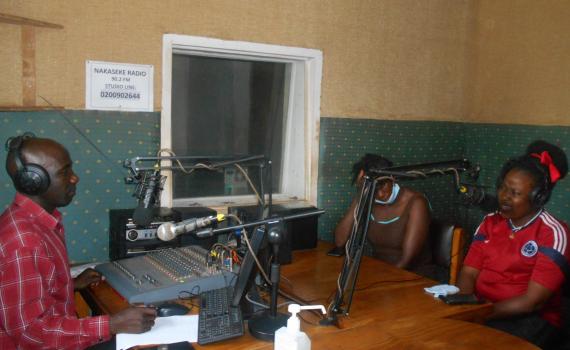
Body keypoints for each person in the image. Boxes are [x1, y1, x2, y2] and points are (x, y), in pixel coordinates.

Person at [0, 134, 157, 349]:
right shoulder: (23, 243)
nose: (74, 178)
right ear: (34, 181)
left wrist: (68, 285)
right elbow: (31, 335)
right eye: (64, 172)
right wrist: (111, 324)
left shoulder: (33, 220)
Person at [456, 140, 570, 349]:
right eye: (503, 189)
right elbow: (469, 272)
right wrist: (464, 306)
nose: (504, 197)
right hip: (482, 309)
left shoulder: (553, 233)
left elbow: (532, 302)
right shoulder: (490, 221)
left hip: (529, 320)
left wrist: (482, 314)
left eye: (515, 193)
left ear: (538, 197)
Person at [329, 154, 432, 273]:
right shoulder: (367, 200)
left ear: (392, 178)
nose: (381, 194)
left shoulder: (416, 202)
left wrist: (382, 280)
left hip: (414, 276)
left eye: (383, 186)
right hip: (381, 272)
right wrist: (360, 196)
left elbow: (407, 260)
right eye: (375, 189)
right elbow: (340, 242)